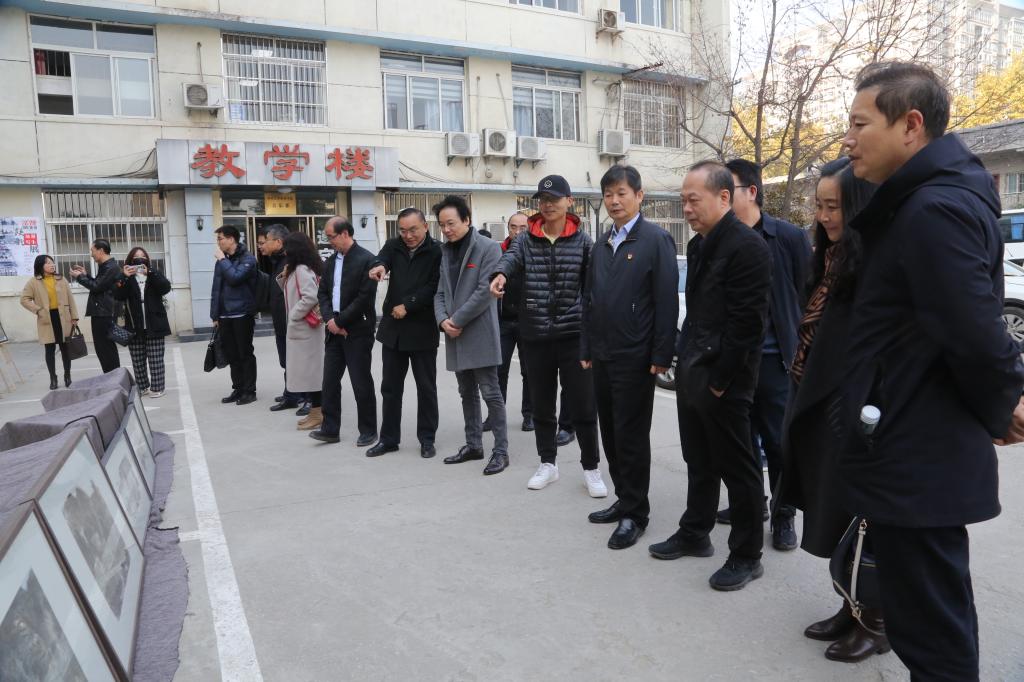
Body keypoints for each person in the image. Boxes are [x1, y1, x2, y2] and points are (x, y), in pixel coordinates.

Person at [839, 61, 1024, 679]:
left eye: (860, 124)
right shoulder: (924, 199)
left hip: (918, 447)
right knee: (930, 611)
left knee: (931, 629)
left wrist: (1005, 404)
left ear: (911, 125)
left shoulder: (932, 209)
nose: (848, 139)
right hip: (913, 437)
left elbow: (973, 329)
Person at [778, 158, 888, 662]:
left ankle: (878, 622)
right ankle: (851, 605)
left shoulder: (876, 263)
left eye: (834, 207)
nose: (824, 217)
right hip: (818, 400)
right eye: (819, 206)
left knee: (865, 519)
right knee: (838, 516)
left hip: (855, 407)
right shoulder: (828, 257)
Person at [648, 161, 771, 591]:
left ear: (723, 197)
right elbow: (700, 313)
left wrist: (720, 381)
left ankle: (747, 555)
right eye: (683, 200)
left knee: (739, 469)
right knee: (698, 460)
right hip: (694, 372)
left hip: (726, 381)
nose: (686, 209)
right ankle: (695, 532)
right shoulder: (700, 245)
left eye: (693, 200)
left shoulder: (748, 248)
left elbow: (747, 326)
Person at [491, 175, 607, 497]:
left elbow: (594, 287)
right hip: (536, 334)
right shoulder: (526, 239)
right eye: (542, 200)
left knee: (584, 407)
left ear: (569, 201)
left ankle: (591, 468)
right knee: (542, 406)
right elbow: (510, 259)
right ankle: (548, 464)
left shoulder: (583, 242)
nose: (547, 205)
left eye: (554, 199)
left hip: (574, 336)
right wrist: (500, 274)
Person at [581, 165, 677, 549]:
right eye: (608, 194)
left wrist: (662, 353)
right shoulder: (602, 244)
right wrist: (586, 346)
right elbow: (589, 300)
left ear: (639, 196)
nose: (614, 201)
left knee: (631, 436)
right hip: (603, 354)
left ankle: (636, 513)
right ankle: (624, 498)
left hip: (636, 355)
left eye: (622, 193)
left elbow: (666, 301)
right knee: (610, 431)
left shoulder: (656, 240)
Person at [719, 158, 812, 551]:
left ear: (751, 192)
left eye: (728, 189)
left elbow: (807, 294)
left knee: (777, 442)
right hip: (735, 361)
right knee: (741, 442)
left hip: (775, 360)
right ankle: (751, 503)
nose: (721, 197)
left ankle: (784, 513)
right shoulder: (719, 238)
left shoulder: (787, 237)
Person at [433, 195, 509, 475]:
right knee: (466, 392)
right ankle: (474, 444)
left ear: (466, 220)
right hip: (454, 332)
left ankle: (500, 451)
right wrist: (443, 321)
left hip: (479, 331)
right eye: (442, 225)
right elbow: (439, 292)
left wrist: (455, 320)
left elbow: (484, 292)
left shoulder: (488, 248)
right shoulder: (444, 251)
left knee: (491, 393)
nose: (446, 229)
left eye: (451, 223)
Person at [366, 207, 443, 458]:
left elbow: (434, 286)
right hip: (394, 331)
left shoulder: (437, 251)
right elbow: (381, 259)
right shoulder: (393, 245)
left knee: (426, 388)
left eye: (413, 230)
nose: (408, 235)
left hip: (422, 330)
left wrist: (408, 305)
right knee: (390, 388)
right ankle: (388, 439)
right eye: (403, 230)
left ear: (425, 227)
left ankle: (427, 439)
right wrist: (378, 267)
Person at [309, 217, 379, 446]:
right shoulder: (330, 261)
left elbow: (364, 298)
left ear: (345, 234)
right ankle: (330, 429)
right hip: (334, 330)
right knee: (329, 382)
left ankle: (368, 430)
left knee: (360, 382)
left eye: (331, 236)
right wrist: (330, 320)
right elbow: (323, 293)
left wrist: (340, 322)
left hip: (357, 330)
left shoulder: (367, 260)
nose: (329, 241)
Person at [277, 232, 326, 431]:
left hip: (306, 329)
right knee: (309, 373)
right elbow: (291, 292)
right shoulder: (298, 268)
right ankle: (315, 412)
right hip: (304, 329)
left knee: (312, 374)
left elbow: (310, 296)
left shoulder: (302, 270)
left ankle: (318, 413)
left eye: (287, 248)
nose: (284, 252)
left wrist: (294, 315)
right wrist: (284, 275)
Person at [494, 212, 534, 433]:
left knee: (529, 372)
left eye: (523, 228)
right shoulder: (498, 252)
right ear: (507, 228)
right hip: (503, 322)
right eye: (513, 227)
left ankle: (530, 415)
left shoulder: (535, 251)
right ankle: (496, 416)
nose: (518, 232)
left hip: (529, 322)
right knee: (498, 371)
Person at [112, 247, 171, 398]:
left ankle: (158, 388)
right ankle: (143, 387)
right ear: (130, 260)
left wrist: (150, 272)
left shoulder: (153, 273)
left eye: (142, 256)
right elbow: (117, 295)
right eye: (136, 257)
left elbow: (165, 287)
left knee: (156, 358)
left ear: (147, 259)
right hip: (134, 323)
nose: (139, 259)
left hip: (155, 322)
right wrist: (124, 276)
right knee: (137, 359)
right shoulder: (126, 277)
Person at [210, 225, 259, 405]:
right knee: (232, 354)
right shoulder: (222, 261)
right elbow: (216, 289)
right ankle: (238, 389)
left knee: (245, 352)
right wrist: (215, 315)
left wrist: (223, 260)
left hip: (242, 313)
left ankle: (249, 391)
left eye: (220, 238)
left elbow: (235, 278)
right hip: (224, 315)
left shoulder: (248, 259)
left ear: (231, 239)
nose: (218, 242)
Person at [260, 224, 305, 413]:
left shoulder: (292, 262)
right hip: (281, 320)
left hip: (291, 320)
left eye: (264, 242)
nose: (261, 246)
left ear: (278, 242)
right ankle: (292, 392)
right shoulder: (276, 261)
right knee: (286, 359)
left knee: (295, 359)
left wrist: (293, 316)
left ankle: (300, 396)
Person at [21, 255, 79, 389]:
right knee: (49, 349)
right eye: (48, 263)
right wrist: (38, 310)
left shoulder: (61, 279)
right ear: (40, 266)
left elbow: (70, 298)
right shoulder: (33, 282)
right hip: (47, 318)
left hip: (63, 317)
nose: (52, 265)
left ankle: (67, 375)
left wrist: (74, 317)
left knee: (65, 348)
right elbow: (24, 299)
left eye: (52, 262)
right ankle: (53, 378)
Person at [69, 239, 120, 372]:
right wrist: (86, 275)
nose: (91, 254)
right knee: (103, 348)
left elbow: (96, 287)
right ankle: (111, 375)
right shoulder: (106, 266)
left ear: (101, 250)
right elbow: (100, 284)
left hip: (104, 313)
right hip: (101, 312)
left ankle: (113, 376)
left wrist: (79, 277)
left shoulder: (111, 267)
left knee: (105, 348)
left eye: (92, 251)